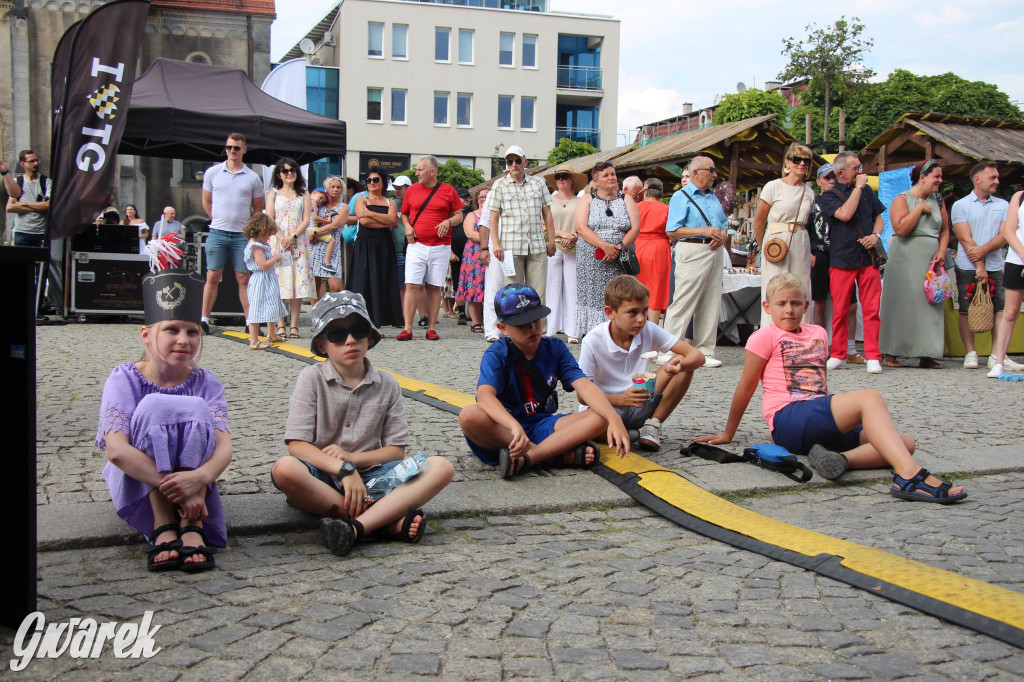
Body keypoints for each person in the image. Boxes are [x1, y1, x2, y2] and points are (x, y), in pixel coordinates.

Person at [697, 273, 967, 504]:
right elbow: (746, 388)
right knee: (869, 398)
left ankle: (839, 460)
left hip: (817, 418)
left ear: (806, 306)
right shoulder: (764, 336)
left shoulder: (818, 333)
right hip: (787, 417)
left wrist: (837, 418)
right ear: (767, 307)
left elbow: (820, 383)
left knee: (905, 442)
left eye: (795, 303)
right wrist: (728, 432)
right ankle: (908, 476)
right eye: (781, 304)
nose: (788, 309)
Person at [271, 291, 455, 556]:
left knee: (441, 467)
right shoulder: (311, 378)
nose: (349, 340)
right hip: (321, 475)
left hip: (372, 476)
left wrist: (352, 459)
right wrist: (344, 470)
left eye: (358, 331)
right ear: (322, 345)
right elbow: (298, 446)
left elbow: (395, 451)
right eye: (337, 334)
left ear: (369, 336)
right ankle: (383, 521)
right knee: (285, 469)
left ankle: (357, 526)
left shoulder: (387, 383)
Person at [96, 268, 233, 571]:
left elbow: (224, 447)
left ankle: (191, 523)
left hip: (194, 482)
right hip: (142, 480)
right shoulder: (124, 379)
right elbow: (117, 450)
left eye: (192, 331)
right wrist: (180, 491)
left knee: (194, 406)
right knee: (155, 406)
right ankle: (164, 522)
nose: (183, 340)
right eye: (172, 329)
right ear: (146, 334)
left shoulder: (206, 382)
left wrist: (199, 480)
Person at [458, 283, 630, 478]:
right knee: (469, 416)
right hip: (503, 431)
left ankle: (531, 457)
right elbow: (485, 397)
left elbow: (585, 386)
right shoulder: (497, 353)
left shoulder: (555, 347)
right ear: (502, 328)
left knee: (600, 416)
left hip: (541, 425)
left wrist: (614, 418)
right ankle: (556, 455)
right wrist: (514, 427)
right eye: (523, 324)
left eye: (536, 320)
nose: (532, 328)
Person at [578, 275, 704, 451]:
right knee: (594, 424)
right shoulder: (593, 340)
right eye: (632, 312)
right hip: (606, 409)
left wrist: (676, 368)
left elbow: (697, 356)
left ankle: (653, 424)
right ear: (610, 312)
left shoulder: (648, 329)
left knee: (682, 361)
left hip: (640, 402)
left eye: (645, 311)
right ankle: (614, 432)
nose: (641, 319)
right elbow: (582, 396)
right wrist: (621, 399)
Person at [817, 151, 885, 375]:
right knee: (840, 309)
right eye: (856, 168)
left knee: (872, 309)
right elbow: (845, 215)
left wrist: (876, 235)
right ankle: (838, 353)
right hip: (842, 257)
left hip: (867, 258)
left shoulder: (866, 190)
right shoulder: (829, 195)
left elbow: (879, 217)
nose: (861, 172)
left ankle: (873, 355)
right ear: (841, 172)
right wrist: (857, 188)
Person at [879, 160, 950, 369]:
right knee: (901, 303)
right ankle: (892, 352)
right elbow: (901, 229)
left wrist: (942, 250)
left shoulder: (939, 201)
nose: (940, 180)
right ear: (923, 177)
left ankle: (927, 353)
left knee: (929, 305)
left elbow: (945, 230)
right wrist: (919, 209)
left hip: (931, 258)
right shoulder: (902, 199)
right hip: (905, 257)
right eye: (936, 176)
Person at [951, 162, 1018, 371]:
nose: (997, 181)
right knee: (966, 308)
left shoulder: (1004, 205)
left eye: (998, 178)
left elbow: (1004, 235)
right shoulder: (961, 205)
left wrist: (984, 251)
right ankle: (970, 352)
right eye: (993, 178)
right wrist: (979, 264)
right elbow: (965, 238)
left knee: (1000, 308)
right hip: (968, 265)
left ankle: (998, 353)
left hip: (997, 264)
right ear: (977, 179)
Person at [662, 156, 728, 367]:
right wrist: (705, 231)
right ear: (697, 172)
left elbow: (724, 223)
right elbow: (672, 230)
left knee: (711, 301)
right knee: (683, 300)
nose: (715, 174)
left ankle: (705, 351)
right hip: (692, 249)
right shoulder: (681, 197)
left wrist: (723, 235)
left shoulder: (713, 197)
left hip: (714, 250)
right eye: (712, 170)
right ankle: (668, 348)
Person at [201, 133, 265, 331]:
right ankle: (203, 319)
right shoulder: (213, 173)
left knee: (244, 278)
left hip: (241, 235)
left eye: (236, 148)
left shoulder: (253, 177)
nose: (232, 151)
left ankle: (250, 322)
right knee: (212, 275)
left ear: (244, 150)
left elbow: (257, 208)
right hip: (217, 232)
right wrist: (215, 219)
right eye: (229, 147)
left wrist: (250, 230)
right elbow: (206, 200)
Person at [397, 155, 463, 341]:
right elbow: (404, 215)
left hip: (441, 246)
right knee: (411, 284)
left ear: (432, 171)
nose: (416, 173)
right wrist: (408, 227)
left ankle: (431, 328)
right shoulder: (412, 191)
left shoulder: (448, 190)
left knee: (434, 287)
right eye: (417, 169)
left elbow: (459, 215)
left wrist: (448, 221)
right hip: (416, 244)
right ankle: (407, 328)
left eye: (420, 169)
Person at [575, 161, 641, 338]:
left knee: (622, 295)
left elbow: (635, 227)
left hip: (621, 259)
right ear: (596, 181)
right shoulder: (587, 199)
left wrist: (619, 247)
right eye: (606, 175)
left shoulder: (626, 199)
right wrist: (604, 246)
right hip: (593, 259)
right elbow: (581, 228)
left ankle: (622, 331)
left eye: (613, 174)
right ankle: (595, 336)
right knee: (596, 297)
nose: (611, 177)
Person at [754, 143, 815, 325]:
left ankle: (800, 335)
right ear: (788, 163)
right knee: (774, 287)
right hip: (776, 239)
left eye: (806, 160)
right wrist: (764, 246)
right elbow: (759, 221)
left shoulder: (809, 192)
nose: (802, 164)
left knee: (801, 286)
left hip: (800, 239)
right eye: (797, 160)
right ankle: (769, 335)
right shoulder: (773, 186)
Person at [809, 165, 864, 363]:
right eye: (827, 177)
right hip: (821, 254)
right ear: (819, 181)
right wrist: (810, 252)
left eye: (834, 176)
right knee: (820, 303)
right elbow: (805, 227)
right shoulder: (813, 202)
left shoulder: (846, 198)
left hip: (842, 254)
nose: (831, 180)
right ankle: (820, 347)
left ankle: (850, 348)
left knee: (850, 304)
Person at [489, 145, 556, 299]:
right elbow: (493, 217)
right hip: (510, 247)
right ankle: (516, 325)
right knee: (513, 295)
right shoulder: (499, 185)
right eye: (509, 162)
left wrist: (551, 240)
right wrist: (496, 244)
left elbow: (548, 215)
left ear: (525, 161)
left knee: (538, 295)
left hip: (537, 246)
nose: (514, 165)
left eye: (517, 160)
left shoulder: (538, 183)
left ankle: (539, 325)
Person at [348, 167, 403, 327]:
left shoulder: (389, 202)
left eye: (376, 180)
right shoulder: (361, 199)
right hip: (365, 244)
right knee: (363, 280)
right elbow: (363, 221)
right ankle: (361, 318)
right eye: (369, 180)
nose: (372, 183)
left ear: (383, 182)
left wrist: (370, 214)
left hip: (383, 245)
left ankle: (381, 319)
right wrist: (384, 221)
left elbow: (393, 220)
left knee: (382, 280)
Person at [266, 157, 313, 341]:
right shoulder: (273, 193)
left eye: (292, 170)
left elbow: (306, 219)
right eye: (285, 170)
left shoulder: (304, 194)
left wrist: (293, 238)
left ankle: (294, 324)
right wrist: (282, 238)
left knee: (297, 283)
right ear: (279, 174)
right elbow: (269, 218)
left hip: (298, 241)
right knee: (279, 282)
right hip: (278, 240)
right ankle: (280, 323)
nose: (290, 173)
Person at [543, 164, 585, 342]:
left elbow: (584, 224)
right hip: (553, 245)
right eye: (558, 177)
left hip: (574, 246)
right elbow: (542, 225)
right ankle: (551, 328)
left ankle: (573, 330)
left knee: (572, 288)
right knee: (552, 287)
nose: (561, 180)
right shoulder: (549, 201)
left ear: (572, 180)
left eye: (564, 177)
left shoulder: (581, 201)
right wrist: (560, 234)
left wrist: (574, 235)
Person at [989, 189, 1024, 377]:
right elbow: (1009, 232)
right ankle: (999, 361)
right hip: (1016, 260)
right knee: (1010, 312)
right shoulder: (1019, 196)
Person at [243, 213, 288, 349]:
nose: (269, 237)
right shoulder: (256, 246)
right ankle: (254, 340)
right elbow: (263, 265)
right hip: (260, 280)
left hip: (268, 279)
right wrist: (276, 258)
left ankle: (272, 333)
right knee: (257, 308)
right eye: (267, 234)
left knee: (273, 304)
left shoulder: (259, 244)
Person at [634, 177, 671, 324]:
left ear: (645, 191)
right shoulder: (666, 209)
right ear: (660, 193)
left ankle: (635, 321)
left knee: (636, 286)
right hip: (658, 248)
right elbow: (671, 232)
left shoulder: (635, 207)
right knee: (656, 288)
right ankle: (653, 327)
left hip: (637, 246)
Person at [310, 176, 349, 304]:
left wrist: (314, 233)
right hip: (314, 247)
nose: (336, 189)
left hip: (332, 248)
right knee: (314, 288)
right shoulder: (319, 203)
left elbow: (334, 225)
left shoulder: (344, 207)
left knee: (336, 286)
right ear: (327, 188)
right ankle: (317, 320)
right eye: (333, 186)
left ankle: (341, 318)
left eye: (339, 187)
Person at [456, 187, 490, 333]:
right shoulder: (472, 215)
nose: (484, 199)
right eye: (481, 197)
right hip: (474, 255)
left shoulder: (498, 214)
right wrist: (490, 241)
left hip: (492, 254)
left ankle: (490, 320)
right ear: (477, 200)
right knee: (475, 287)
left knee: (491, 287)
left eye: (487, 196)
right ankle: (476, 322)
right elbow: (470, 233)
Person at [6, 149, 50, 247]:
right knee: (21, 261)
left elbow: (48, 206)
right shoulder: (17, 182)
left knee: (40, 261)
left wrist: (24, 203)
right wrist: (38, 206)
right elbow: (10, 207)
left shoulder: (46, 182)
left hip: (40, 233)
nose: (35, 163)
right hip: (21, 232)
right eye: (31, 161)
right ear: (23, 164)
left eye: (36, 160)